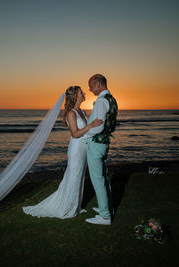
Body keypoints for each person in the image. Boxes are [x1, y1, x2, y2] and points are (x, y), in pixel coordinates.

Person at [22, 86, 102, 219]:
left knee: (80, 176)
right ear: (75, 96)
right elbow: (75, 134)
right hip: (76, 149)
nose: (83, 94)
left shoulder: (82, 111)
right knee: (74, 175)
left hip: (84, 148)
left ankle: (75, 206)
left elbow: (86, 131)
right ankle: (67, 207)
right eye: (81, 92)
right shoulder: (71, 113)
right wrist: (91, 125)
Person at [84, 74, 118, 225]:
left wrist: (84, 134)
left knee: (98, 180)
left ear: (98, 84)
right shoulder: (111, 99)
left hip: (96, 144)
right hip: (104, 143)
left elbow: (99, 126)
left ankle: (105, 216)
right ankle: (108, 208)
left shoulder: (101, 101)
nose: (90, 89)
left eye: (91, 85)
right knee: (103, 178)